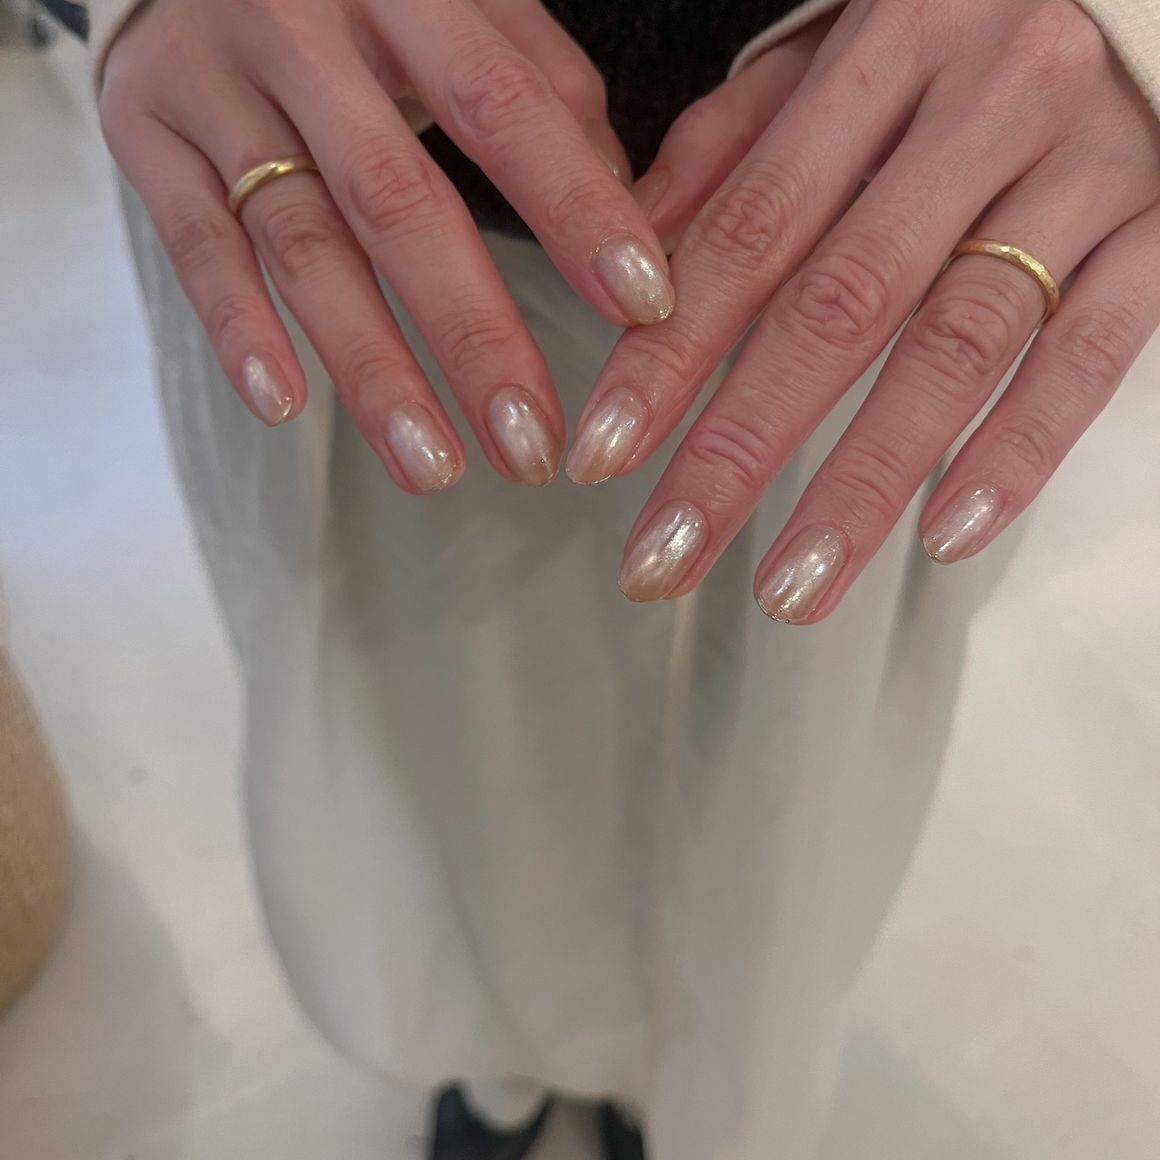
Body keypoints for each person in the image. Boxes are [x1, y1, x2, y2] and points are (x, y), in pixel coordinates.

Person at [85, 0, 1160, 1156]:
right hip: (321, 137)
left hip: (899, 171)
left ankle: (691, 1097)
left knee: (780, 777)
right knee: (422, 717)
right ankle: (493, 1062)